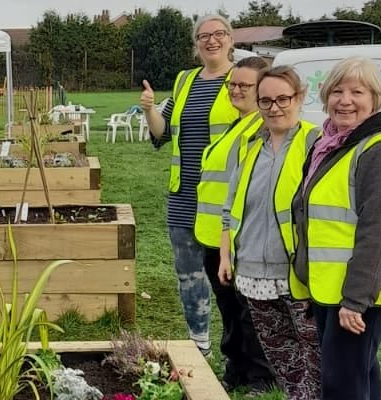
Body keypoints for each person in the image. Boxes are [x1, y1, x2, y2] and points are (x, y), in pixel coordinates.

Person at [292, 56, 381, 400]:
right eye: (337, 90)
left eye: (357, 91)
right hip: (332, 290)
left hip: (360, 295)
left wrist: (356, 299)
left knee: (342, 384)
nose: (345, 100)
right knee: (358, 377)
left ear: (375, 99)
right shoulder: (331, 145)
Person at [218, 65, 322, 400]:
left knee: (316, 357)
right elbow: (230, 207)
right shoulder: (249, 145)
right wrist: (225, 254)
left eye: (282, 99)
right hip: (252, 271)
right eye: (265, 101)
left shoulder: (315, 143)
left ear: (299, 97)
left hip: (297, 274)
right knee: (283, 359)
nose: (274, 108)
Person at [141, 13, 238, 357]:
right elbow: (162, 132)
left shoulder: (241, 80)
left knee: (230, 281)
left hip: (227, 198)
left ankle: (240, 353)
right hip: (184, 196)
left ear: (230, 39)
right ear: (195, 44)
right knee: (189, 276)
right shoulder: (185, 81)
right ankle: (200, 345)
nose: (211, 40)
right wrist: (151, 109)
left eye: (218, 34)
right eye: (203, 36)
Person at [195, 56, 275, 394]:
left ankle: (261, 377)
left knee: (248, 312)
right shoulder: (238, 124)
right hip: (215, 235)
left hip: (239, 238)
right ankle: (236, 368)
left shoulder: (261, 128)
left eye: (245, 85)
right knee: (230, 310)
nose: (236, 90)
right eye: (232, 84)